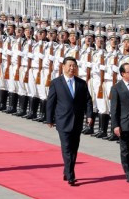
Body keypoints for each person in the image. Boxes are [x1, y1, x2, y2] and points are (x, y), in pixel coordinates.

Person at [46, 56, 93, 186]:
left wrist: (89, 115)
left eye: (74, 66)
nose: (72, 68)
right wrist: (49, 119)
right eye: (69, 65)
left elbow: (88, 100)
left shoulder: (81, 83)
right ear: (63, 67)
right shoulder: (56, 83)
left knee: (74, 148)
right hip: (63, 120)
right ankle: (71, 175)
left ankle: (67, 171)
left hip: (77, 121)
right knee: (66, 148)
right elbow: (51, 102)